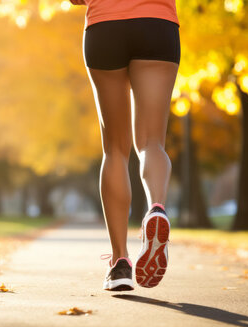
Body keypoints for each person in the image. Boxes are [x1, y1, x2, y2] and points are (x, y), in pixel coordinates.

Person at [69, 0, 180, 291]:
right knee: (152, 142)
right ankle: (156, 207)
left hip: (105, 27)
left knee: (116, 150)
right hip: (158, 24)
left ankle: (120, 264)